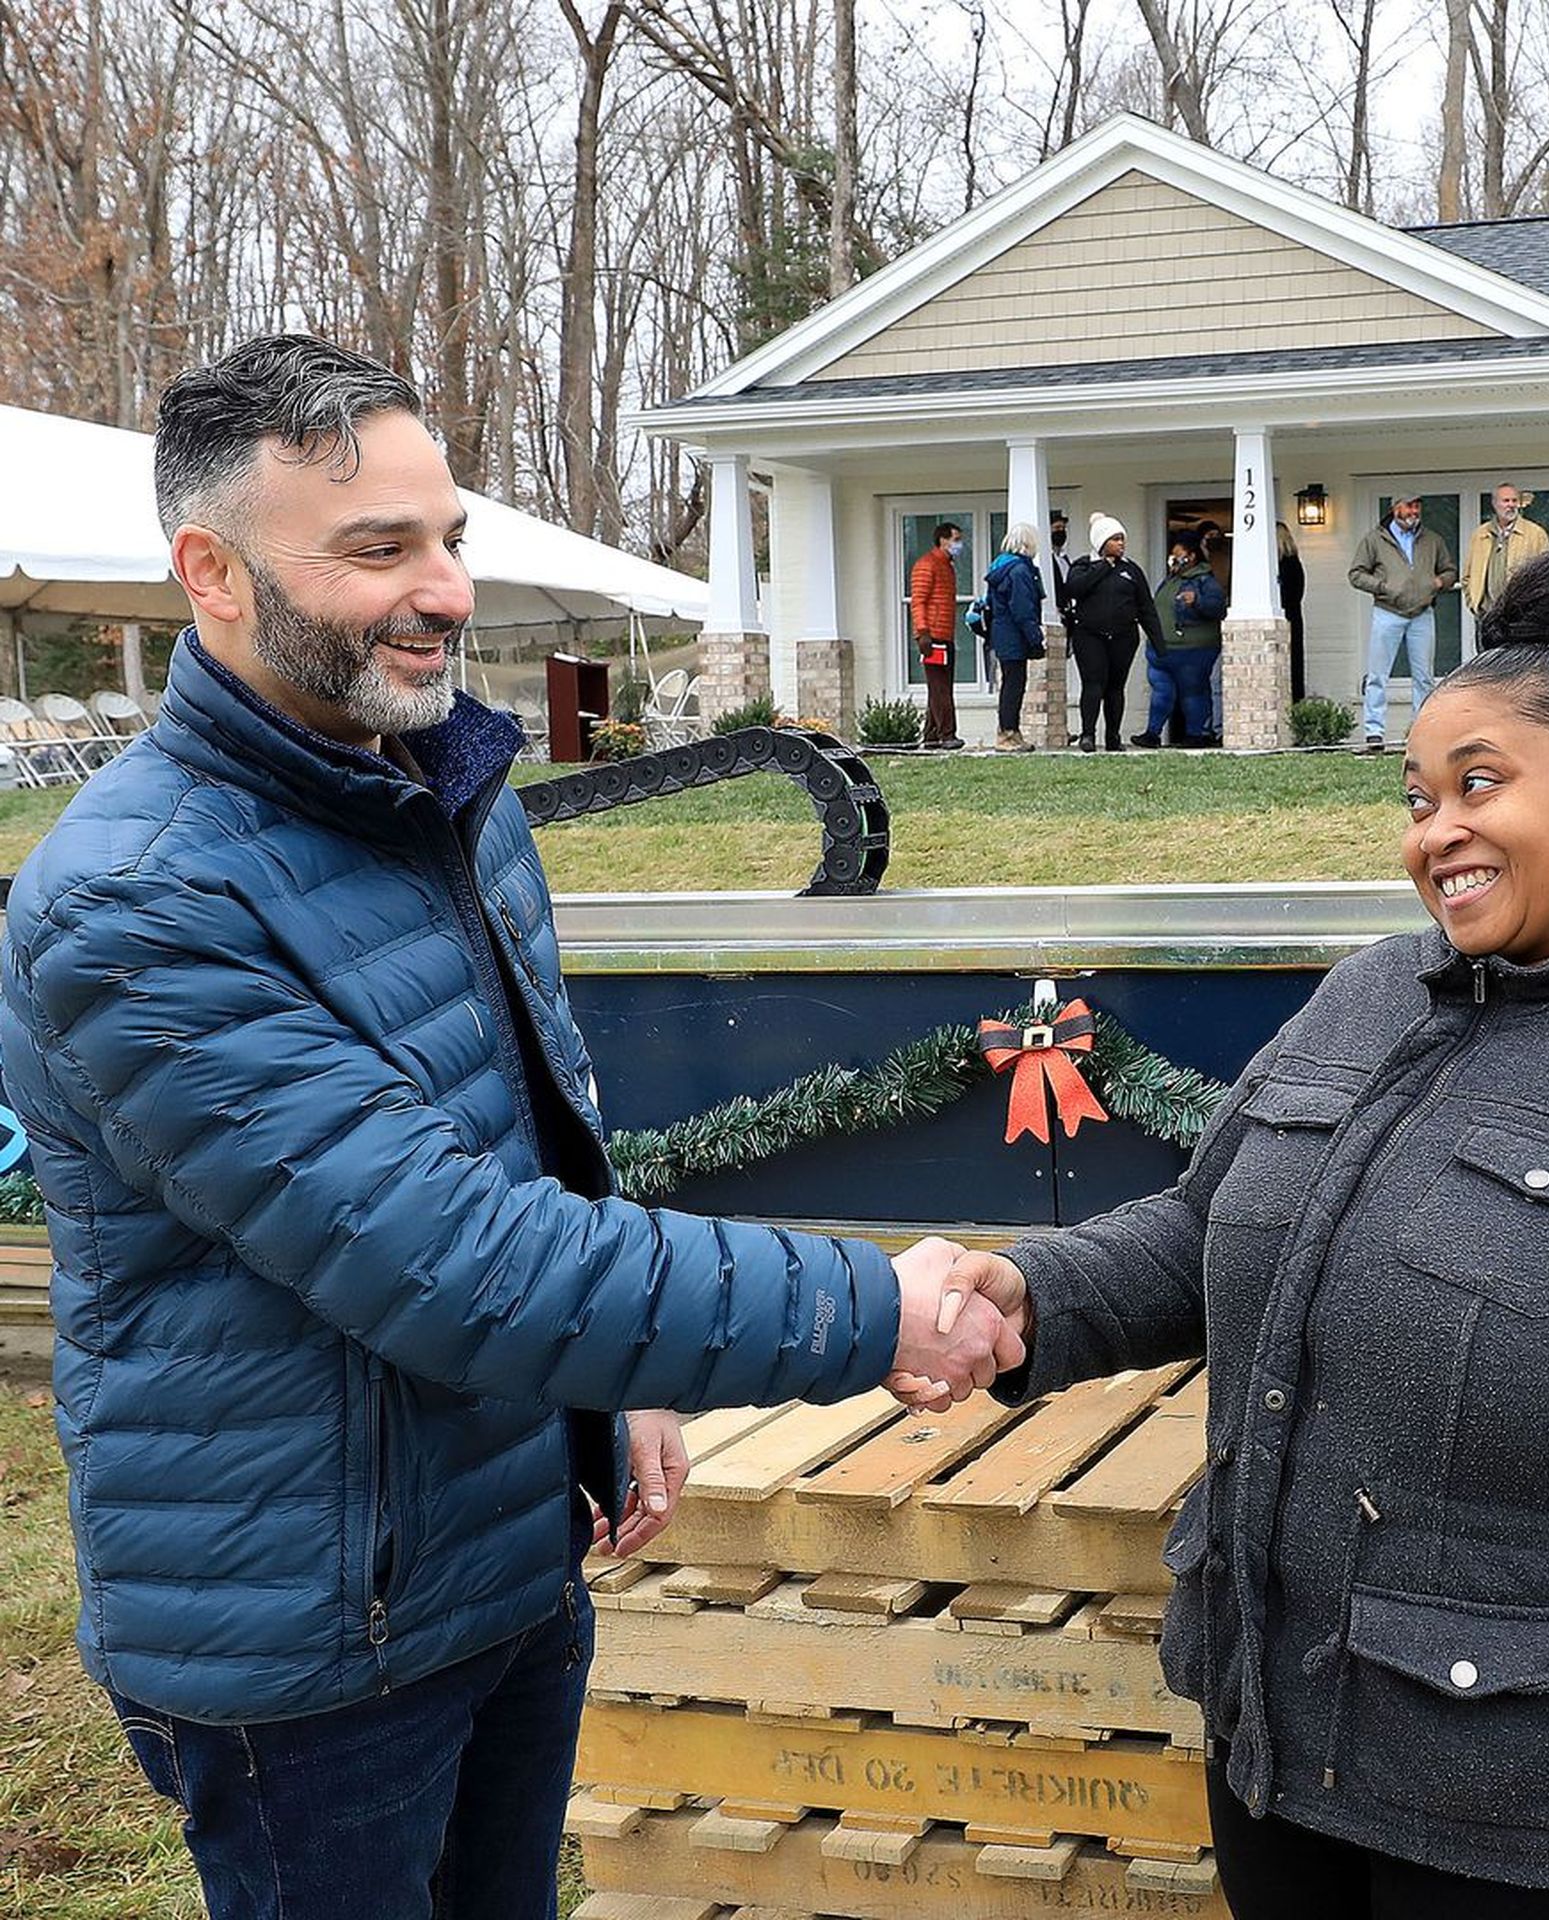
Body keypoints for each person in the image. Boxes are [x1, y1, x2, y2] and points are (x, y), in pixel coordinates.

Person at [0, 334, 1017, 1920]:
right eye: (377, 549)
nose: (448, 589)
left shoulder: (437, 791)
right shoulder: (139, 906)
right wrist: (872, 1305)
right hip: (313, 1644)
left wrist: (618, 1391)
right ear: (210, 571)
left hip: (502, 1562)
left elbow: (533, 1131)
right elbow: (456, 1259)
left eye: (451, 534)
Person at [912, 546, 1549, 1920]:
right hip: (1284, 1772)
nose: (1433, 830)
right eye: (1416, 797)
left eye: (1481, 785)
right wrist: (1028, 1291)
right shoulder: (1369, 994)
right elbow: (1209, 1227)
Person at [1348, 493, 1457, 750]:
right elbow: (1356, 574)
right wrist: (1383, 587)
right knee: (1377, 675)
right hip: (1387, 613)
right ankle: (1374, 734)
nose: (1413, 511)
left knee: (1423, 678)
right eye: (1408, 505)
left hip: (1422, 614)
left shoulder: (1432, 540)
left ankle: (1421, 733)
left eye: (1417, 506)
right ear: (1395, 508)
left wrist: (1439, 582)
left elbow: (1449, 569)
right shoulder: (1375, 540)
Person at [1064, 513, 1164, 753]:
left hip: (1123, 637)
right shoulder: (1083, 565)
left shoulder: (1131, 570)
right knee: (1093, 684)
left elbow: (1146, 607)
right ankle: (1088, 734)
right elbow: (1075, 589)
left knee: (1115, 687)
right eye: (1115, 539)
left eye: (1122, 539)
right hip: (1089, 636)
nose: (1121, 543)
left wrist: (1159, 641)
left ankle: (1113, 737)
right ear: (1101, 541)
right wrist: (1104, 566)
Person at [1135, 531, 1224, 748]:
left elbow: (1218, 607)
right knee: (1161, 691)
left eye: (1179, 555)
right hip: (1162, 650)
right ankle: (1152, 733)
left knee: (1193, 692)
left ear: (1192, 556)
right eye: (1172, 556)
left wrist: (1197, 601)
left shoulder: (1206, 580)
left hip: (1192, 650)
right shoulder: (1171, 579)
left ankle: (1197, 734)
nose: (1174, 559)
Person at [984, 522, 1045, 752]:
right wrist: (1035, 638)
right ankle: (1007, 733)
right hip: (1014, 635)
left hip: (1002, 633)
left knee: (1011, 683)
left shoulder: (1000, 566)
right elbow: (1023, 609)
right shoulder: (1019, 571)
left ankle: (1011, 731)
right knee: (1014, 685)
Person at [1464, 481, 1549, 633]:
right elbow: (1467, 577)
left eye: (1514, 501)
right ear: (1494, 504)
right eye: (1506, 501)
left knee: (1519, 657)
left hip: (1521, 617)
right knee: (1488, 657)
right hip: (1487, 616)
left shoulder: (1535, 534)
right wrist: (1474, 605)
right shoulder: (1479, 535)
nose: (1511, 505)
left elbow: (1548, 577)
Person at [909, 520, 966, 751]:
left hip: (944, 635)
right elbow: (918, 601)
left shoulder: (947, 566)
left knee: (940, 686)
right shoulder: (927, 565)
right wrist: (923, 633)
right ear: (942, 540)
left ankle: (932, 735)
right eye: (956, 539)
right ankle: (947, 734)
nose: (959, 544)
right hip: (932, 636)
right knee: (940, 687)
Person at [1277, 518, 1307, 704]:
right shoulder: (1295, 564)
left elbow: (1290, 595)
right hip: (1293, 618)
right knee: (1294, 664)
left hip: (1287, 618)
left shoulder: (1286, 565)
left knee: (1290, 663)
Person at [1049, 510, 1077, 640]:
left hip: (1068, 615)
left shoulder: (1064, 559)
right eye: (1057, 528)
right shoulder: (1046, 559)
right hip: (1055, 616)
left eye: (1063, 528)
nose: (1061, 531)